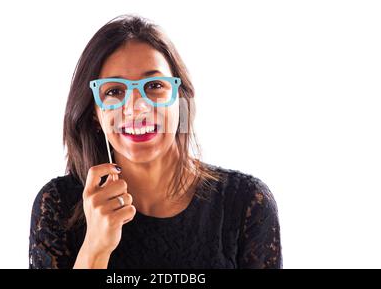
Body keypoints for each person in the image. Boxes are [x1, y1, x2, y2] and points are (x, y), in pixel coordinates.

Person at [28, 14, 282, 269]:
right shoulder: (57, 206)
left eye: (154, 85)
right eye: (114, 91)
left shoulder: (247, 204)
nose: (136, 107)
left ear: (181, 102)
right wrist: (95, 248)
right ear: (95, 114)